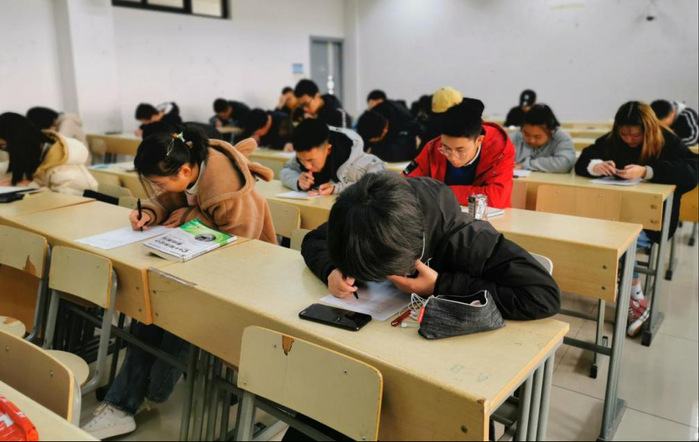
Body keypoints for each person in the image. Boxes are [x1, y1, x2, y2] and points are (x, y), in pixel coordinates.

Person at [82, 126, 276, 439]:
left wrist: (189, 216)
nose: (158, 187)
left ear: (185, 170)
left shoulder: (228, 189)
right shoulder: (189, 167)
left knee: (178, 314)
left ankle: (139, 397)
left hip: (242, 276)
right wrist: (150, 213)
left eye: (159, 181)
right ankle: (125, 402)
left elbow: (241, 244)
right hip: (196, 266)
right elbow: (168, 197)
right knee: (150, 309)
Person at [301, 172, 560, 318]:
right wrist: (331, 270)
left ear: (411, 248)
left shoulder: (467, 240)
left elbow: (543, 297)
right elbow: (313, 239)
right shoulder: (360, 216)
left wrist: (439, 286)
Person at [575, 101, 698, 336]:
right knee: (605, 238)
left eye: (635, 135)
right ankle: (632, 296)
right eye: (624, 134)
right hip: (615, 216)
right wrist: (596, 166)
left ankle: (635, 299)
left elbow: (692, 172)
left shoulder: (667, 140)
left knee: (620, 243)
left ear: (648, 129)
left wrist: (647, 171)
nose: (629, 139)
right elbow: (585, 158)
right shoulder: (613, 140)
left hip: (655, 221)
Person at [403, 98, 515, 208]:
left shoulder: (500, 148)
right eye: (446, 148)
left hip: (489, 218)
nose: (452, 157)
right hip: (443, 215)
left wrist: (442, 192)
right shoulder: (434, 146)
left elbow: (496, 198)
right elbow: (404, 185)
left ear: (479, 141)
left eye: (460, 150)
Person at [280, 119, 384, 195]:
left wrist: (338, 188)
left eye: (311, 160)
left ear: (328, 149)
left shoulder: (354, 159)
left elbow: (379, 182)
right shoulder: (305, 154)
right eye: (301, 159)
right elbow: (285, 170)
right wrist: (298, 180)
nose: (307, 166)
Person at [0, 112, 97, 194]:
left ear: (20, 142)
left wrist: (29, 186)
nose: (5, 151)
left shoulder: (62, 164)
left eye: (4, 146)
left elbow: (68, 199)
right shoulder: (34, 154)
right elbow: (8, 167)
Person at [511, 104, 575, 173]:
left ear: (551, 131)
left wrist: (525, 165)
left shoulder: (562, 138)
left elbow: (564, 164)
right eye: (526, 134)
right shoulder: (515, 137)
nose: (531, 140)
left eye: (537, 137)